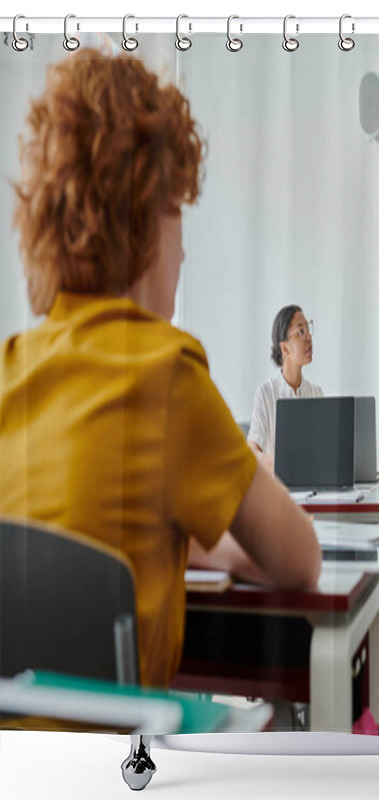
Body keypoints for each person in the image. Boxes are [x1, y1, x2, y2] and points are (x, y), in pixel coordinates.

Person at [0, 50, 321, 690]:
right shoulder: (168, 374)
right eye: (178, 210)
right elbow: (300, 560)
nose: (185, 246)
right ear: (148, 224)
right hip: (124, 761)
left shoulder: (11, 371)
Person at [247, 305, 323, 459]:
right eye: (301, 331)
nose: (309, 337)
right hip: (276, 481)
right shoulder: (266, 393)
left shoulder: (316, 393)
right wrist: (279, 467)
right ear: (285, 348)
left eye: (308, 329)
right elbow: (252, 451)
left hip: (311, 482)